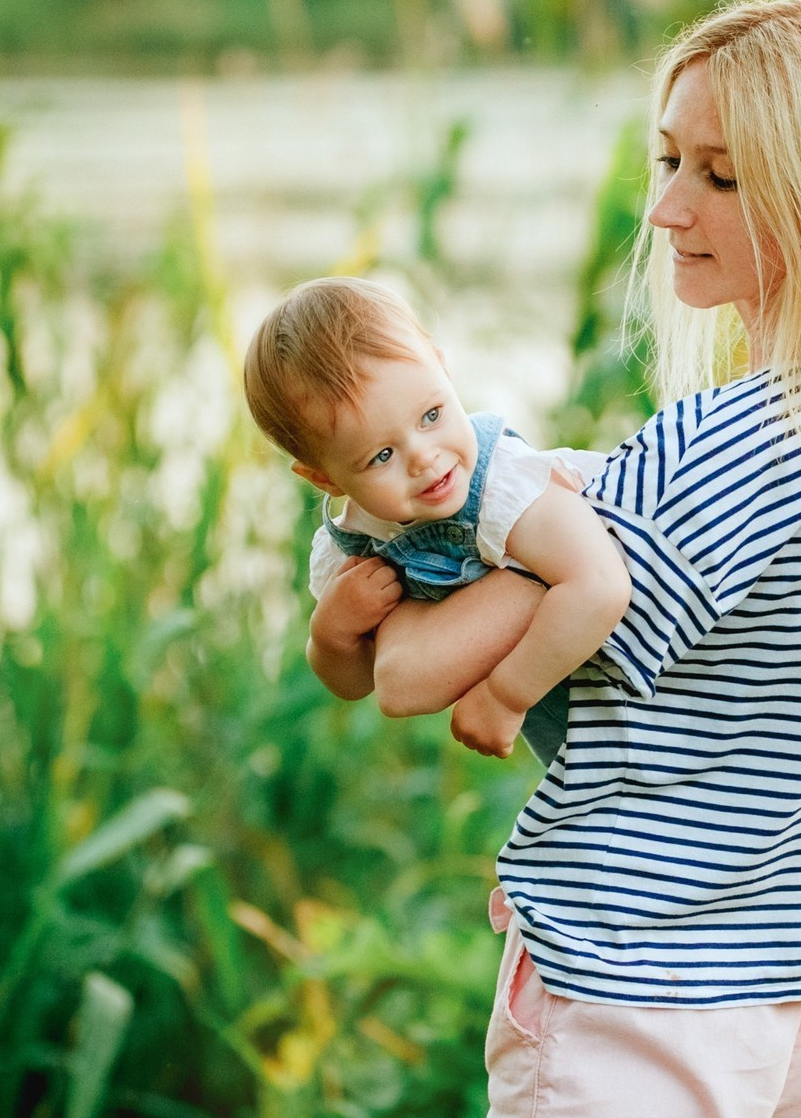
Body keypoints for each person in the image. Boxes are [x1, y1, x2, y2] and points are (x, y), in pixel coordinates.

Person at [308, 0, 801, 1118]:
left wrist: (364, 605)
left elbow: (409, 676)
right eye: (668, 160)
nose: (664, 208)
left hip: (630, 999)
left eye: (718, 175)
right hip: (795, 999)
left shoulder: (726, 445)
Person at [244, 275, 627, 763]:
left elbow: (600, 584)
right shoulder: (358, 540)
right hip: (589, 742)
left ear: (443, 369)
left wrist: (506, 695)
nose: (424, 458)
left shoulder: (503, 484)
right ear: (325, 478)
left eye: (431, 415)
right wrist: (332, 634)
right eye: (381, 455)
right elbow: (358, 681)